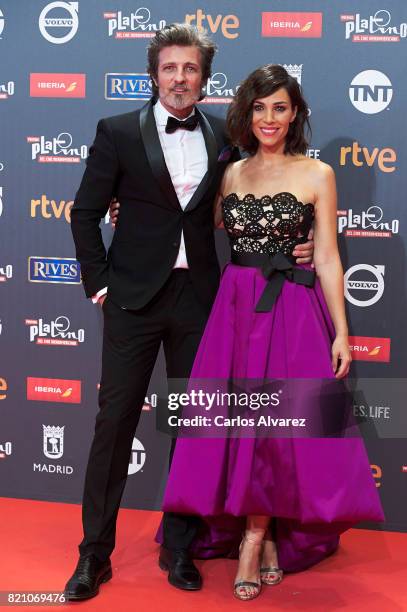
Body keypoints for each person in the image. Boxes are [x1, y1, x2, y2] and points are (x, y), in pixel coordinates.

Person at [65, 25, 314, 600]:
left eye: (191, 69)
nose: (180, 78)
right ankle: (93, 556)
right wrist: (100, 287)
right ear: (154, 74)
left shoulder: (226, 142)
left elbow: (255, 207)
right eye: (170, 68)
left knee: (191, 429)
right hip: (131, 301)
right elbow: (84, 214)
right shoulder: (118, 131)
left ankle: (180, 549)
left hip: (200, 302)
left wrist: (295, 244)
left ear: (205, 78)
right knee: (114, 424)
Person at [157, 64, 385, 601]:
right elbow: (188, 220)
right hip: (235, 312)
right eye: (259, 108)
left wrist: (342, 334)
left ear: (295, 113)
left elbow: (327, 256)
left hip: (293, 310)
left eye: (279, 107)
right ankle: (259, 534)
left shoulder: (316, 174)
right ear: (247, 113)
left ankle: (260, 536)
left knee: (286, 431)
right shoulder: (231, 173)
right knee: (241, 427)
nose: (269, 118)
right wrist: (127, 211)